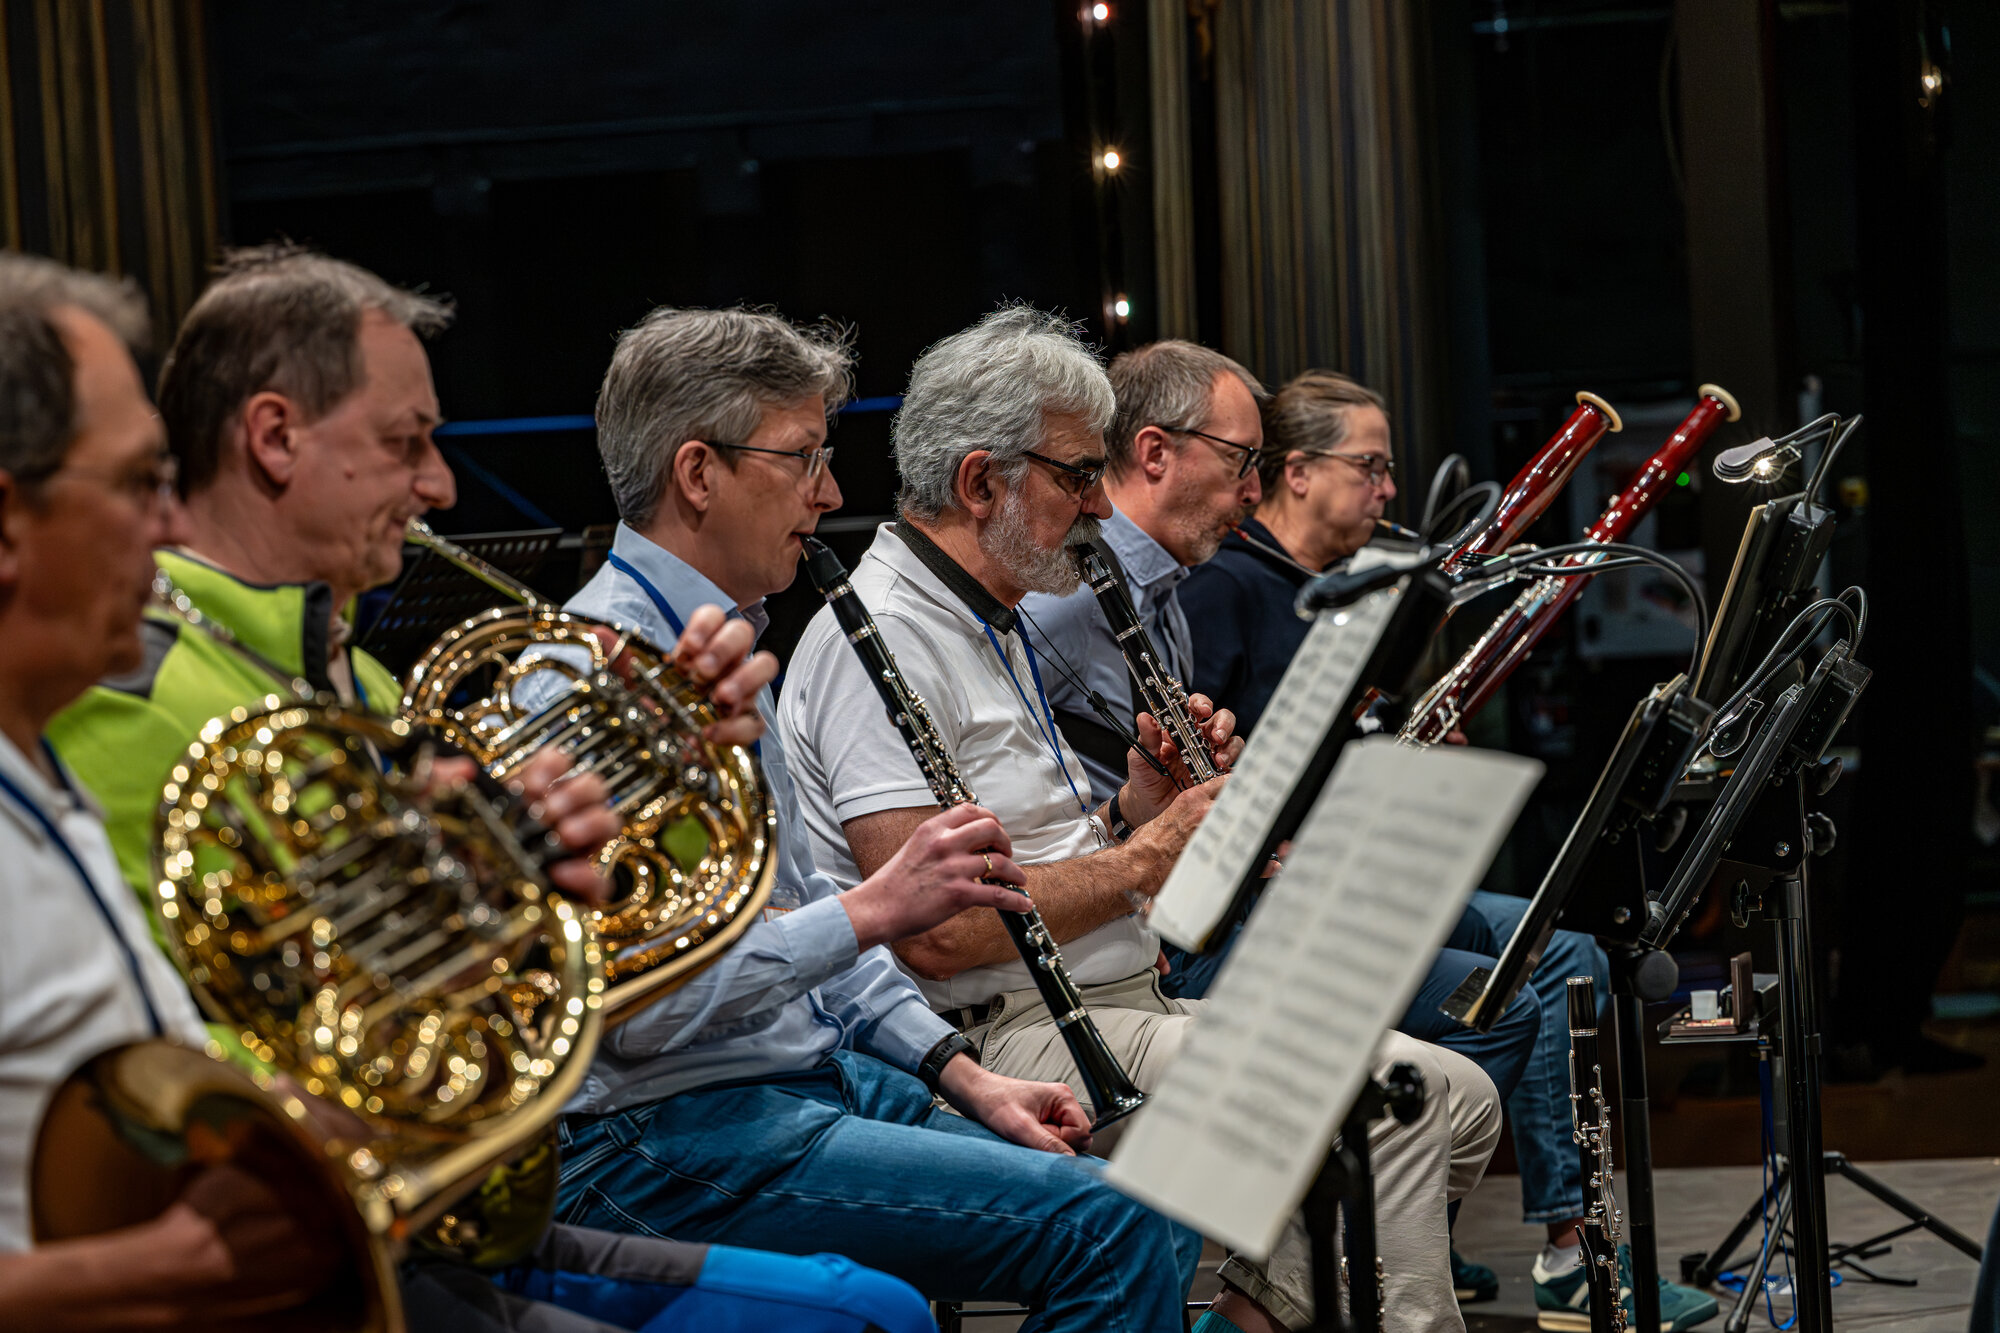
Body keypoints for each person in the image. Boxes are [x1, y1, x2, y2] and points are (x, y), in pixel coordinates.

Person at [29, 247, 936, 1333]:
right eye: (405, 444)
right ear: (274, 438)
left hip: (439, 1208)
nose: (441, 489)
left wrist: (615, 788)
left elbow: (466, 986)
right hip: (286, 1231)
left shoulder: (360, 684)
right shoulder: (113, 692)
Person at [778, 305, 1504, 1333]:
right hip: (1006, 1040)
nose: (1094, 506)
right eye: (1076, 477)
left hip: (1116, 999)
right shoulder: (886, 636)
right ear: (982, 480)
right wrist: (1145, 858)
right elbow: (935, 931)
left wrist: (1137, 808)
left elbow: (1038, 846)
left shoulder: (991, 613)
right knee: (1380, 1106)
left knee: (1457, 1093)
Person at [536, 302, 1204, 1332]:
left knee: (1146, 1210)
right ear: (697, 472)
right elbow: (648, 1012)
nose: (832, 492)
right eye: (803, 458)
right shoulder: (592, 676)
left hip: (792, 1078)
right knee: (1101, 1226)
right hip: (655, 1131)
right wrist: (874, 910)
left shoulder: (721, 643)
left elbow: (801, 915)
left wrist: (961, 1074)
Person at [1179, 370, 1713, 1331]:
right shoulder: (1227, 588)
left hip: (1357, 868)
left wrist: (1395, 753)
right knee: (1525, 976)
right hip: (1275, 900)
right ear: (1295, 473)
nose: (1391, 491)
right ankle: (1538, 1245)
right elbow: (1204, 761)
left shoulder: (1354, 588)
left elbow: (1341, 737)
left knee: (1560, 949)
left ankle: (1499, 1230)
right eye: (1371, 468)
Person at [1015, 343, 1545, 1306]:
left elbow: (1151, 793)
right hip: (1146, 942)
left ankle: (1317, 1276)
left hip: (1186, 911)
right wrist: (1182, 823)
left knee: (1501, 990)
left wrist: (1209, 794)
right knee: (1452, 1035)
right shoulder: (1069, 595)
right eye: (1239, 459)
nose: (1252, 487)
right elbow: (1061, 814)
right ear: (1156, 451)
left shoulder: (1164, 590)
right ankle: (1336, 1272)